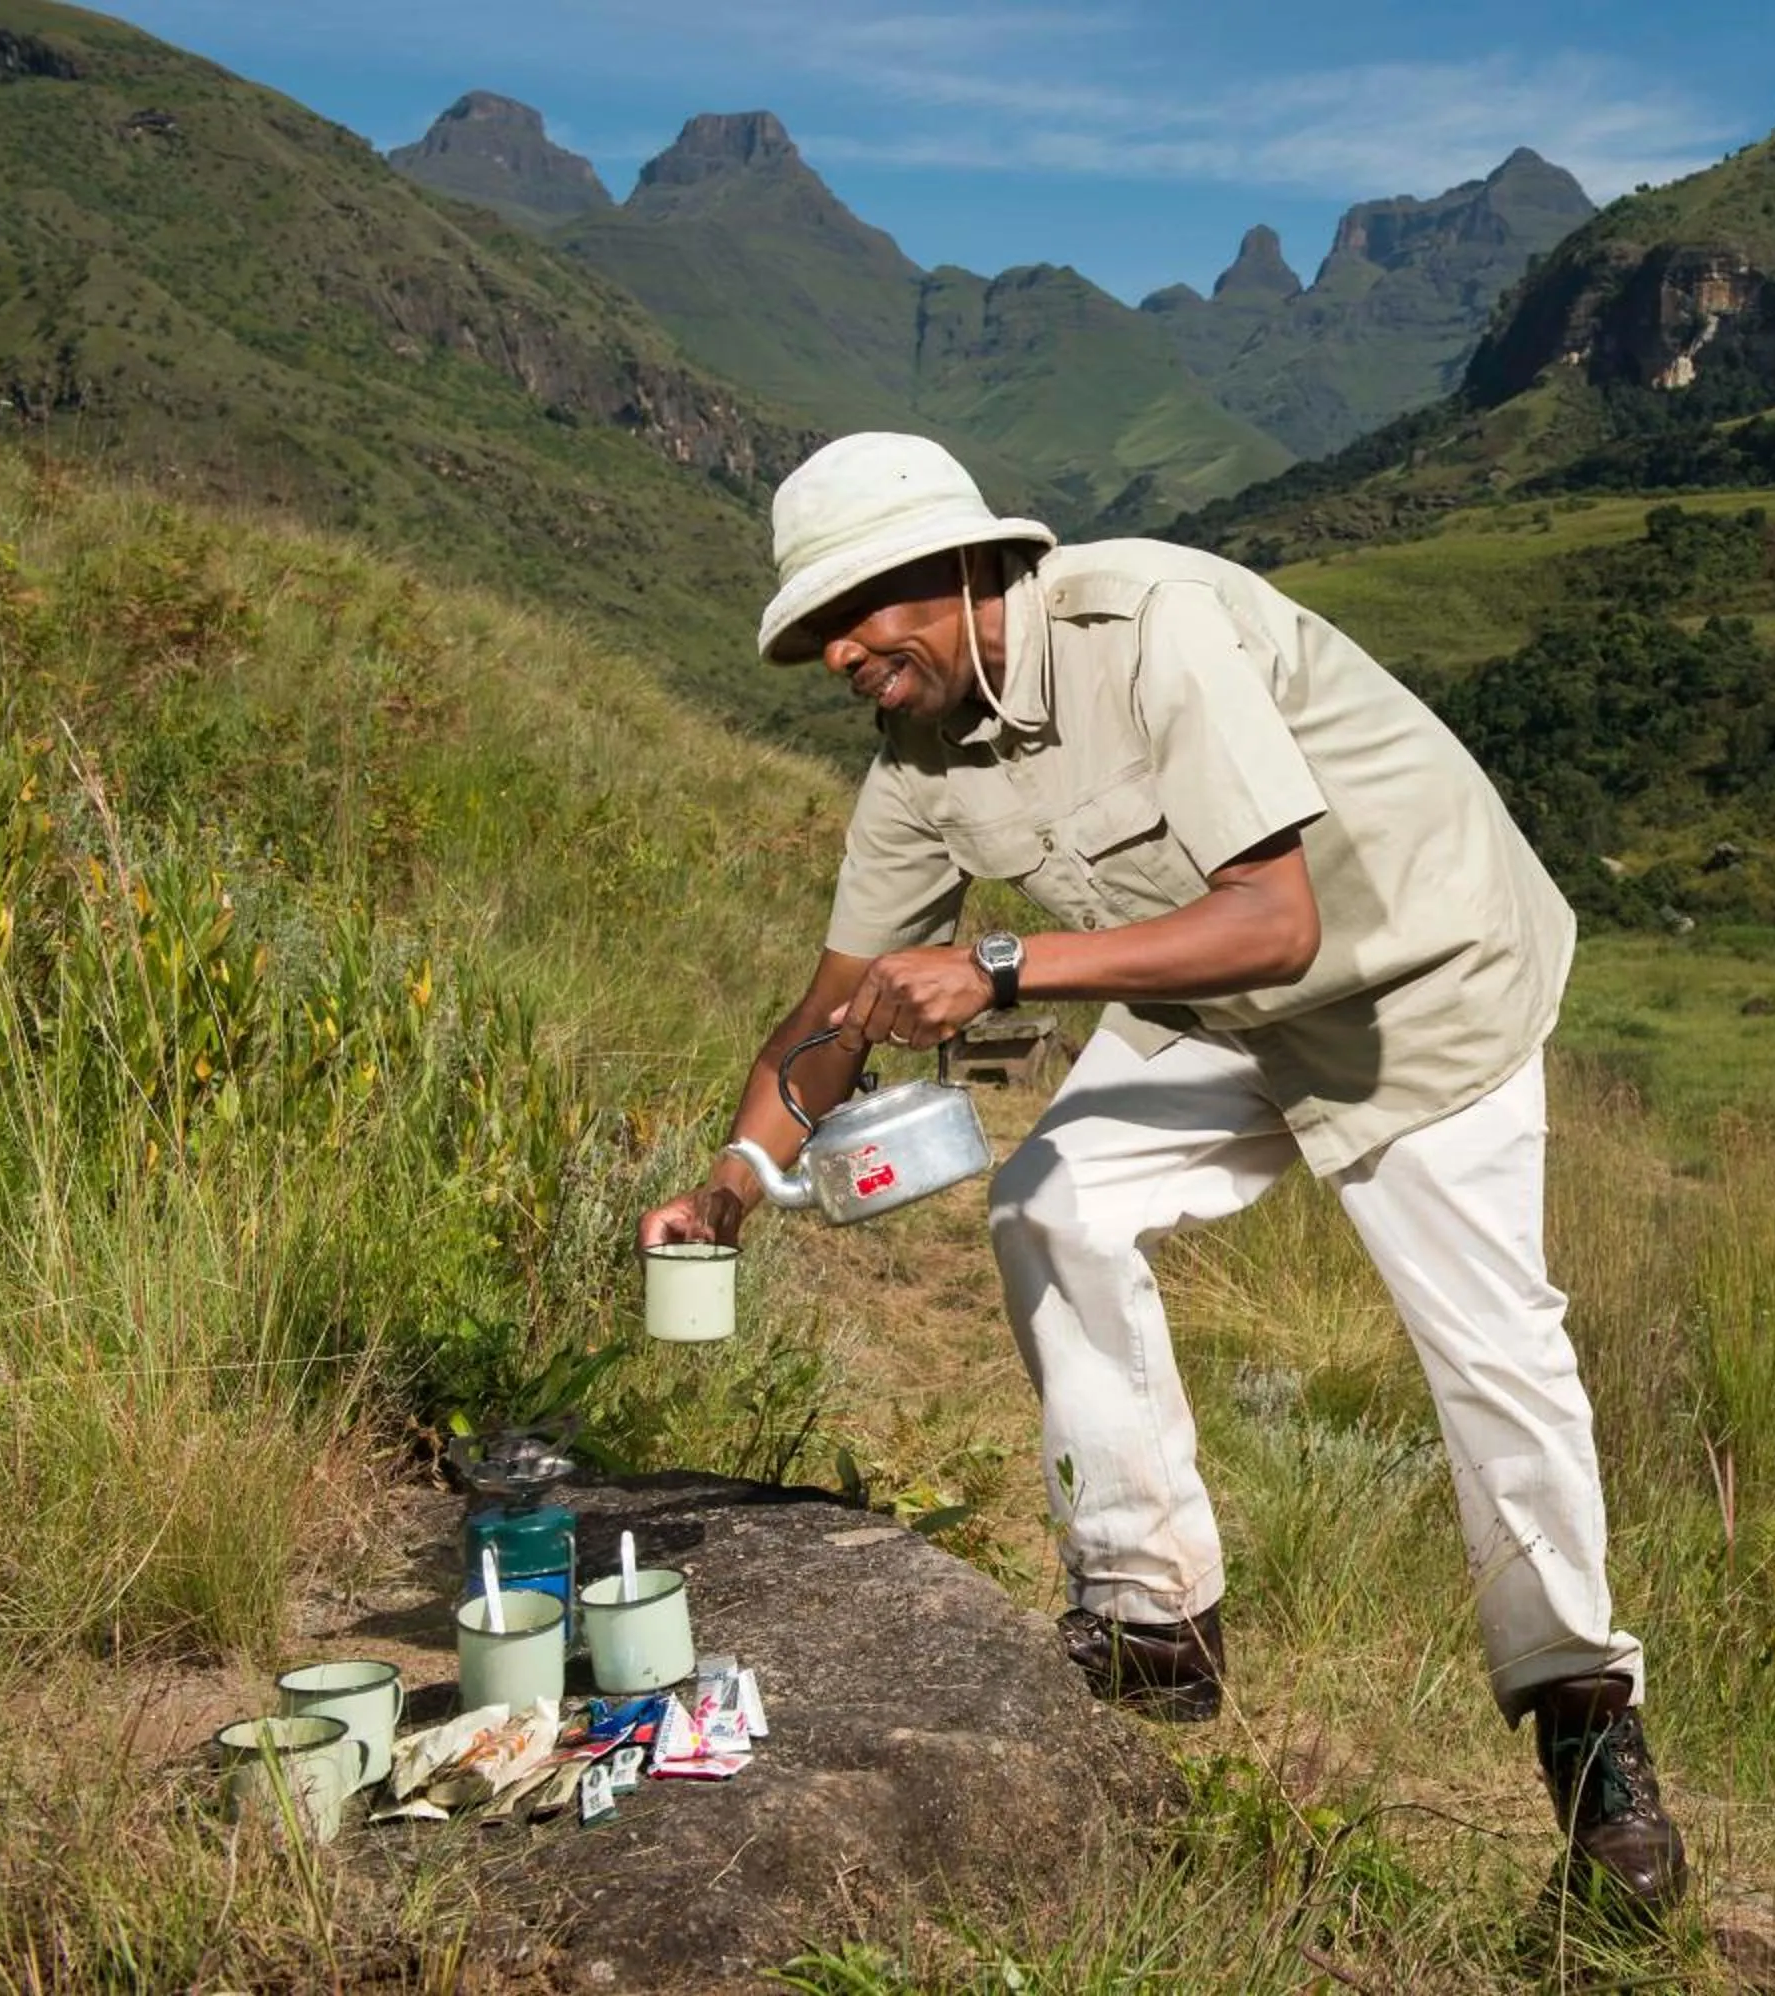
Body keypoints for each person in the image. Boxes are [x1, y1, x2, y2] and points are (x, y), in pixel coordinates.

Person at [638, 432, 1688, 1912]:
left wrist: (1002, 968)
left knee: (1489, 1353)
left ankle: (1591, 1744)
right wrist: (736, 1182)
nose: (842, 654)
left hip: (1419, 987)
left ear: (952, 565)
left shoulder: (1151, 631)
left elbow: (1277, 923)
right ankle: (1153, 1630)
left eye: (861, 611)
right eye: (819, 633)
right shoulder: (920, 759)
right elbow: (831, 1012)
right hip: (1211, 1008)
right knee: (1052, 1204)